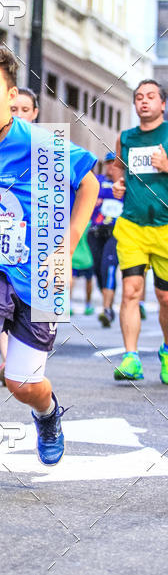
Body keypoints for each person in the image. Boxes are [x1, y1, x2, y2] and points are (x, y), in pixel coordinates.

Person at [0, 45, 98, 499]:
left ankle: (47, 413)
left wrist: (68, 244)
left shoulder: (39, 140)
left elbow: (88, 183)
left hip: (43, 269)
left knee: (22, 382)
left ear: (11, 96)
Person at [110, 79, 168, 382]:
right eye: (139, 97)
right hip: (132, 224)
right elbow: (116, 167)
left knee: (165, 297)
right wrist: (118, 182)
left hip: (165, 228)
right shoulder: (127, 137)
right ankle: (130, 357)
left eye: (150, 97)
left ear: (162, 103)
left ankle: (167, 352)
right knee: (131, 291)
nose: (143, 101)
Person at [0, 87, 41, 383]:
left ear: (35, 113)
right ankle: (5, 359)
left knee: (29, 313)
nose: (20, 115)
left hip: (38, 242)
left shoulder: (48, 148)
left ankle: (21, 361)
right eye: (14, 110)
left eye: (25, 110)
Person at [88, 152, 122, 327]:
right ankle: (107, 301)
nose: (111, 166)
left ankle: (106, 309)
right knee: (98, 270)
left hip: (115, 234)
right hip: (95, 232)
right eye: (108, 163)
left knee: (108, 267)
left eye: (114, 163)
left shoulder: (126, 185)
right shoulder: (98, 182)